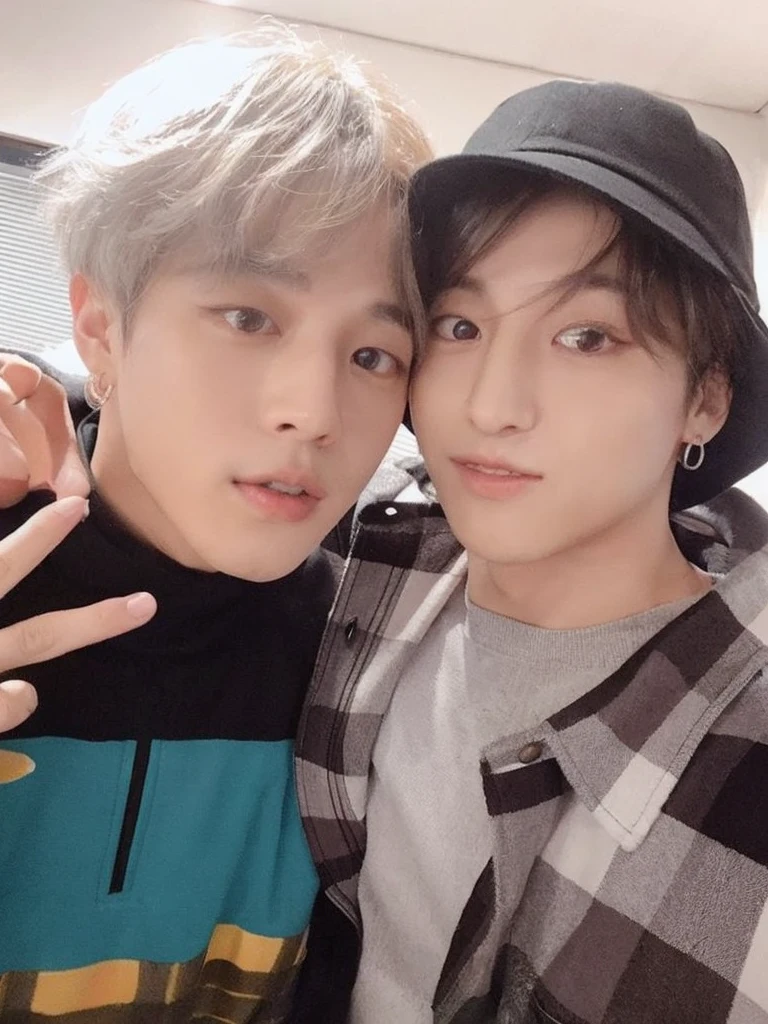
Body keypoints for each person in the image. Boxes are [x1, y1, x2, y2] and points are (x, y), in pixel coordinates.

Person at [7, 82, 768, 1024]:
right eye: (458, 327)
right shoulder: (380, 570)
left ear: (707, 398)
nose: (491, 406)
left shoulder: (740, 762)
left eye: (588, 337)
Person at [0, 25, 430, 1023]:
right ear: (101, 328)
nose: (314, 412)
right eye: (249, 317)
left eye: (373, 355)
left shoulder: (375, 657)